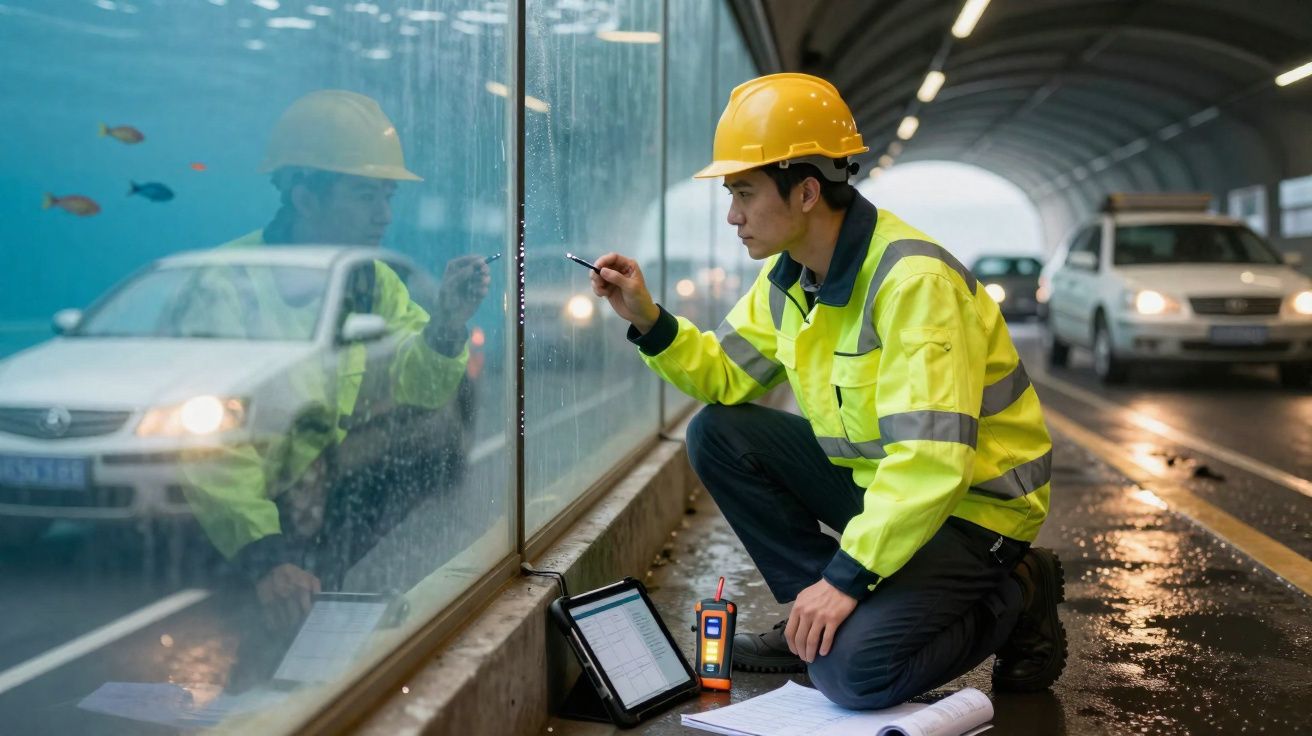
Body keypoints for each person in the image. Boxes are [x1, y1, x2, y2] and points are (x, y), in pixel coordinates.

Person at [590, 73, 1065, 708]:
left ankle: (1020, 593)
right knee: (719, 432)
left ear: (807, 190)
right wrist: (647, 318)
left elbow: (932, 463)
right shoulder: (793, 278)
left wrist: (846, 578)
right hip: (884, 490)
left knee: (851, 678)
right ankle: (812, 625)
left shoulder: (911, 282)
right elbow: (725, 376)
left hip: (974, 511)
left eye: (744, 194)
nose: (732, 216)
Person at [179, 90, 490, 630]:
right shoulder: (227, 285)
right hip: (235, 531)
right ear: (304, 197)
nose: (384, 215)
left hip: (311, 518)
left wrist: (446, 324)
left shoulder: (371, 281)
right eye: (366, 195)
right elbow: (209, 448)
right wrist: (265, 557)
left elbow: (419, 385)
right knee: (245, 671)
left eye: (389, 196)